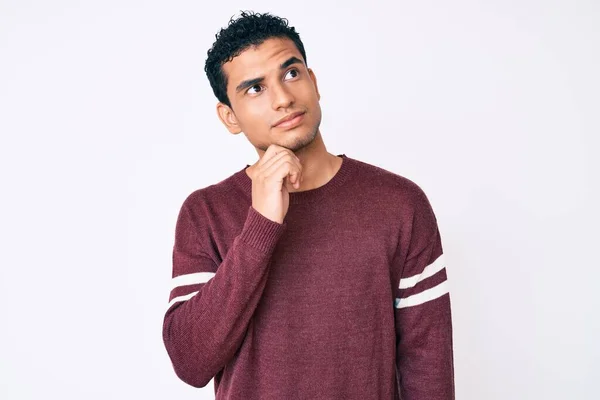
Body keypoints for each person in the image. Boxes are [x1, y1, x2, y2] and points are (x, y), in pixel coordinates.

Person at [162, 10, 455, 400]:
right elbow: (190, 361)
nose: (283, 98)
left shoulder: (399, 204)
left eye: (291, 73)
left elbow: (428, 368)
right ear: (229, 117)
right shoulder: (205, 213)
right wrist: (261, 224)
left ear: (313, 82)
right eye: (255, 89)